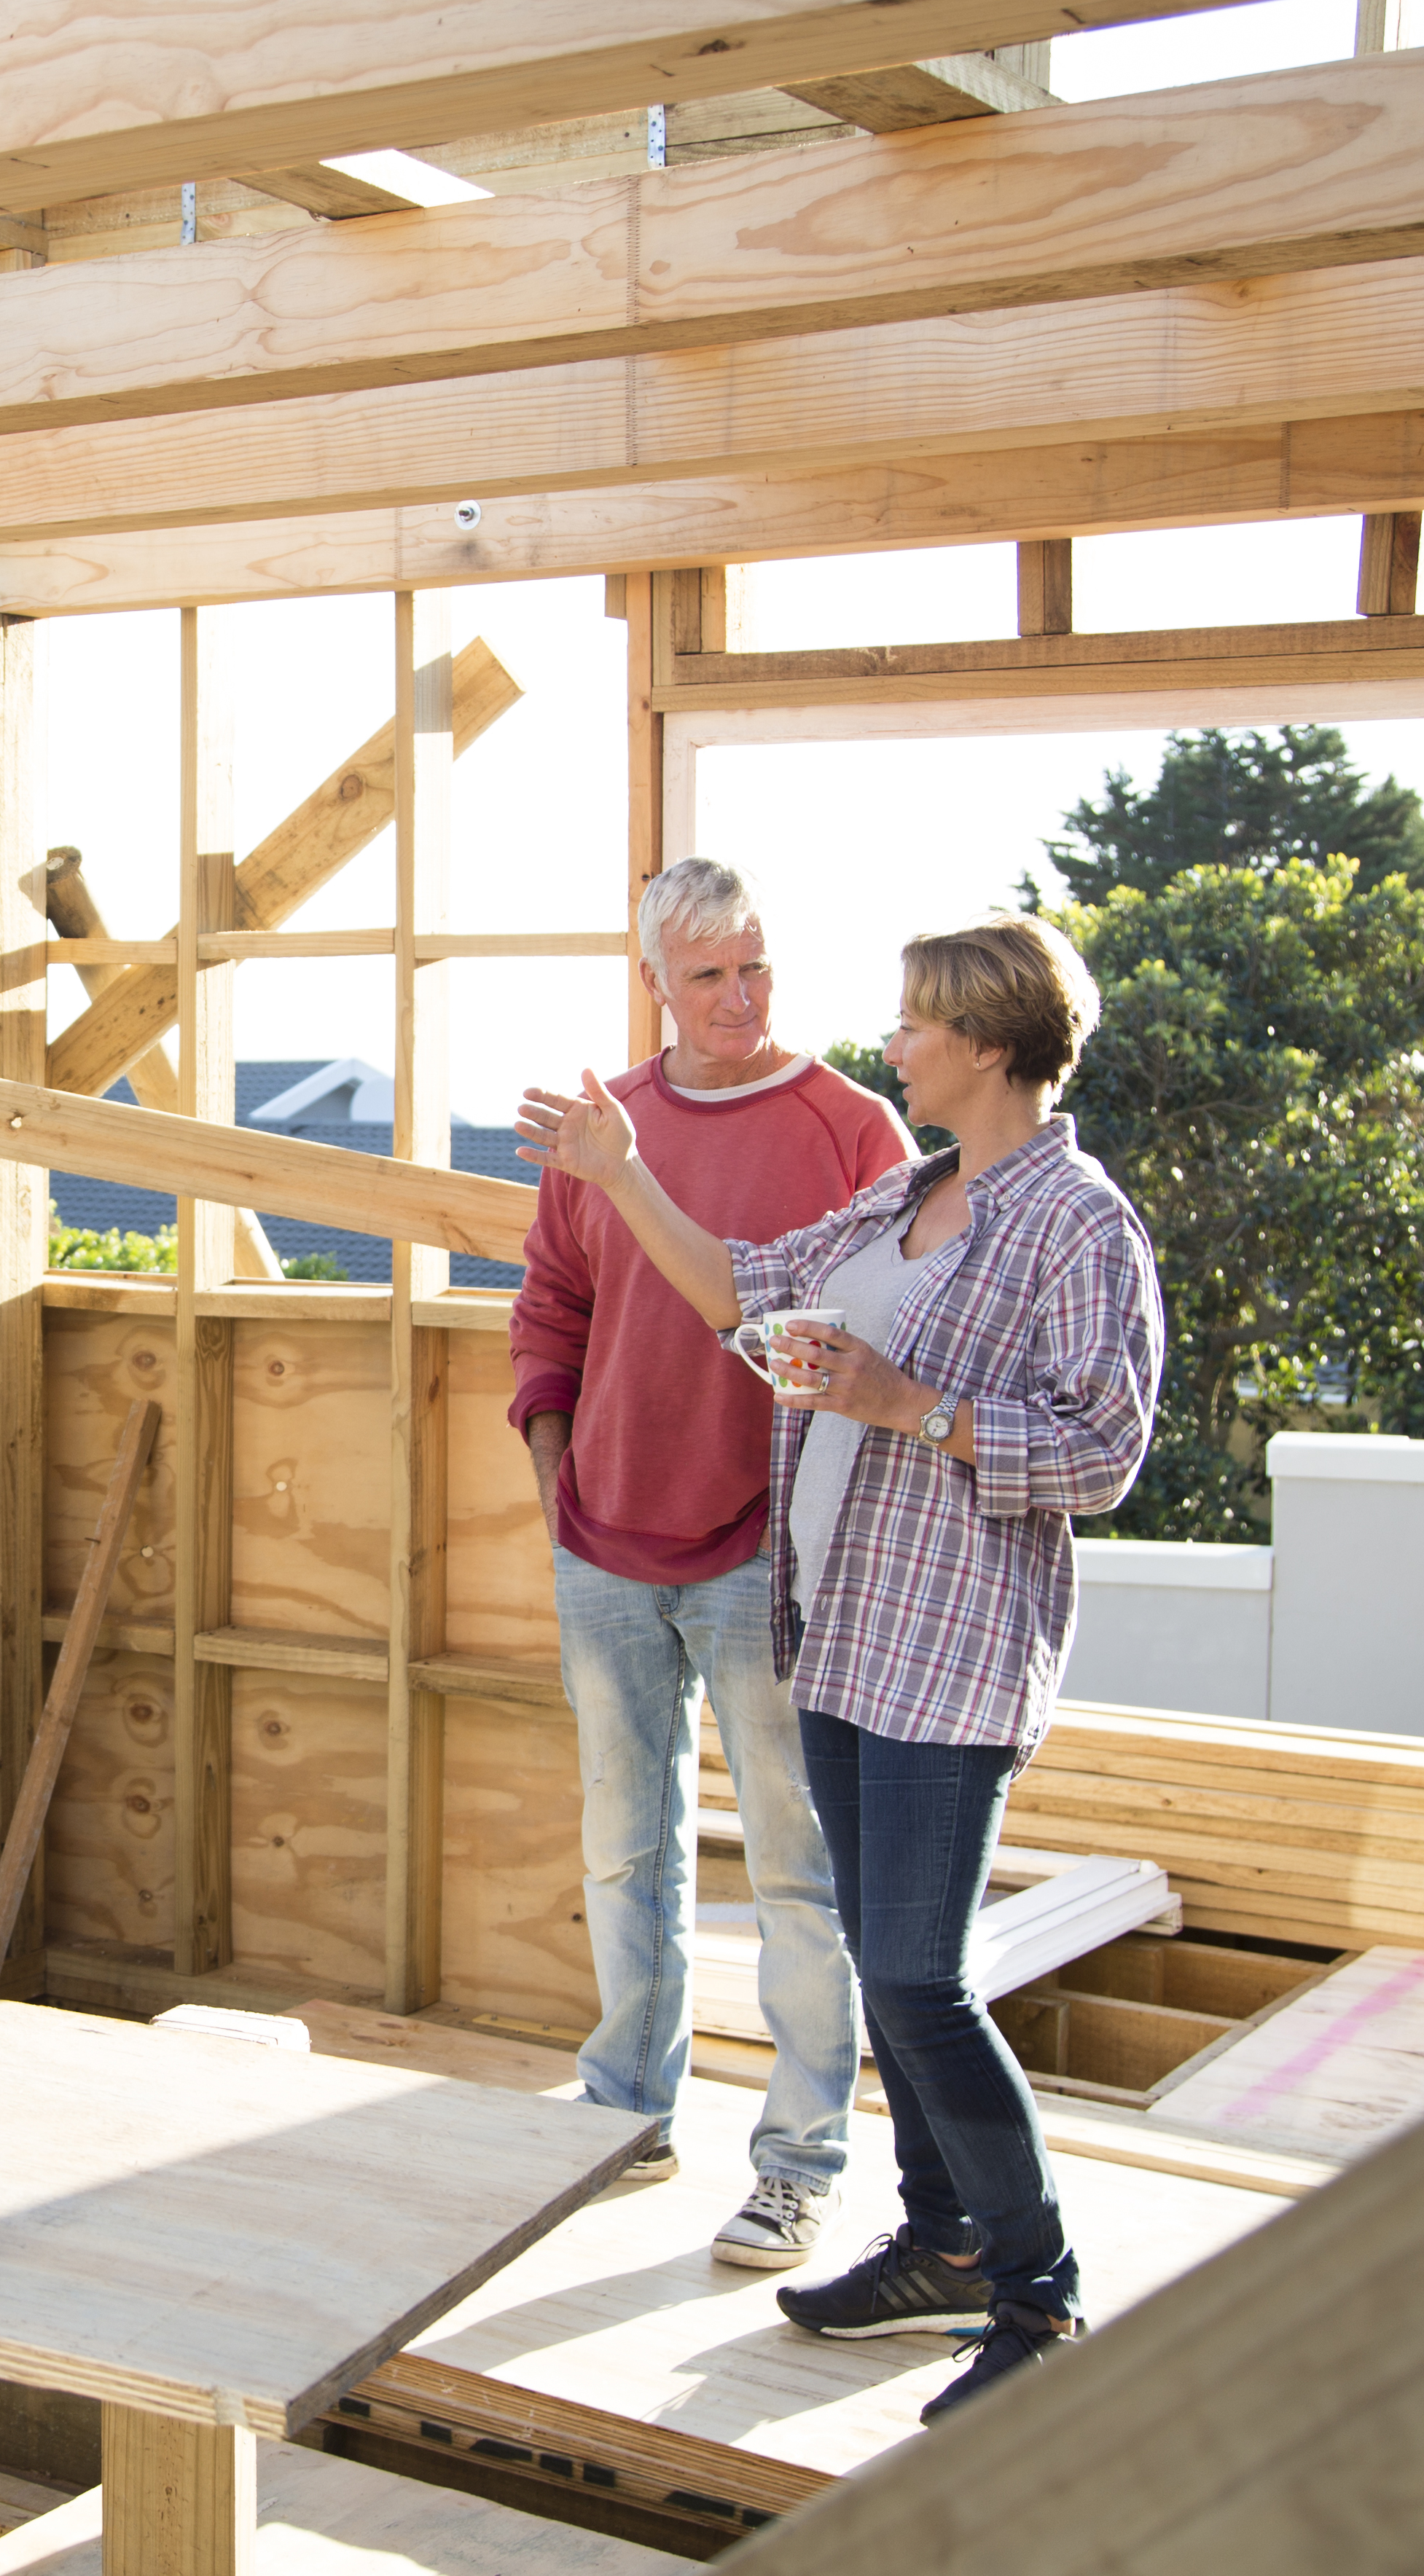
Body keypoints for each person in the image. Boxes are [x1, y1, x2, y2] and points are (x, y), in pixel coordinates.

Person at [513, 910, 1162, 2426]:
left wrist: (908, 1404)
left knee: (926, 1979)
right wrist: (619, 1175)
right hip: (848, 1632)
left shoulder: (1078, 1224)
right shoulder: (905, 1200)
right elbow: (740, 1289)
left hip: (953, 1652)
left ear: (991, 1045)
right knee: (887, 1968)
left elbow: (1108, 1452)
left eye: (920, 1025)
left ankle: (1040, 2294)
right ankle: (938, 2241)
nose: (896, 1046)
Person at [508, 861, 911, 2268]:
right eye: (708, 978)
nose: (739, 1000)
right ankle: (622, 2115)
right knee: (626, 1854)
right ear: (656, 986)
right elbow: (552, 1302)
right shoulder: (607, 1132)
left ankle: (802, 2157)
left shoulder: (850, 1128)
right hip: (606, 1545)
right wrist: (552, 1456)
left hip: (767, 1554)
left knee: (799, 1873)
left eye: (756, 970)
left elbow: (883, 1322)